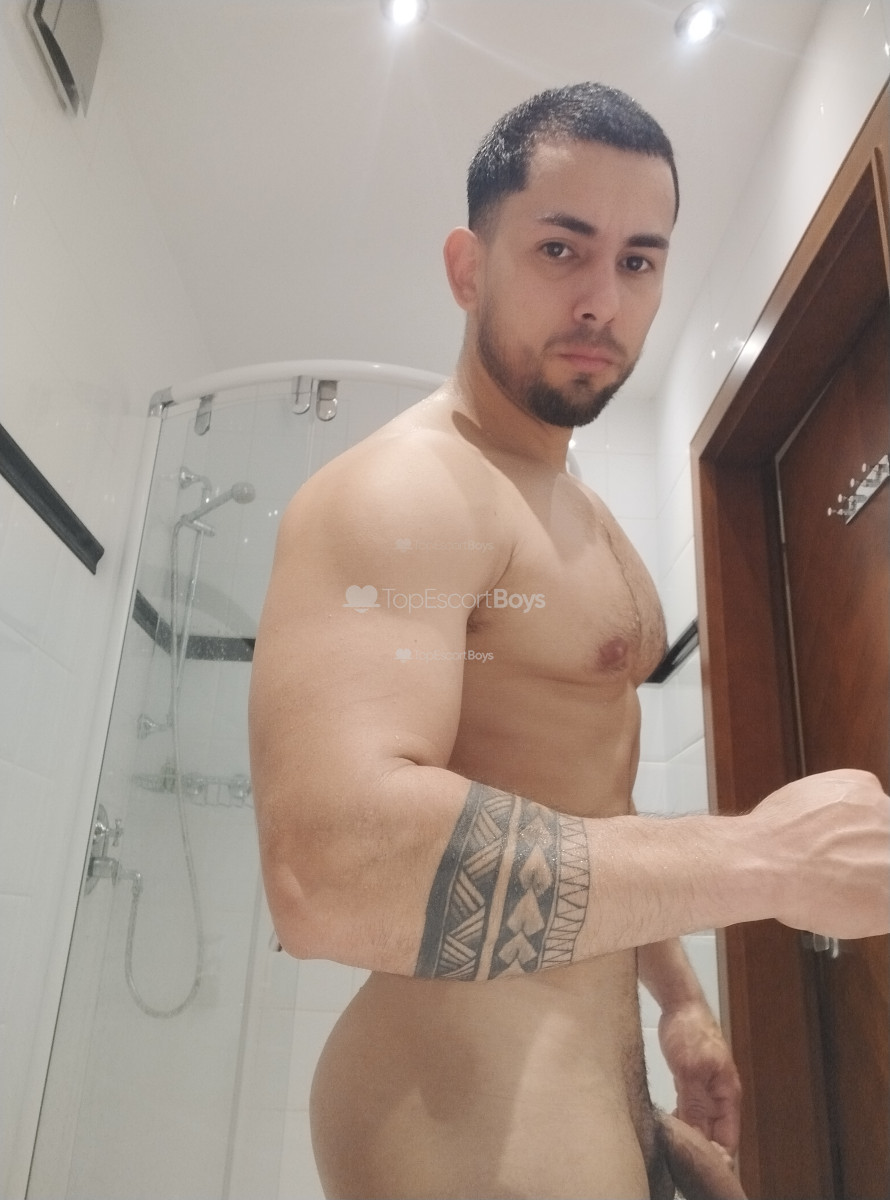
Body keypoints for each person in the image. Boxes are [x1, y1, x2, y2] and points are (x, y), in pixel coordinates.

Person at [248, 82, 889, 1199]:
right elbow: (328, 866)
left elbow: (580, 808)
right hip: (460, 1120)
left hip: (587, 1098)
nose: (602, 299)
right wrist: (765, 861)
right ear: (467, 266)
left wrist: (677, 1007)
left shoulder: (575, 506)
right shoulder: (408, 489)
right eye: (561, 249)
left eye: (639, 261)